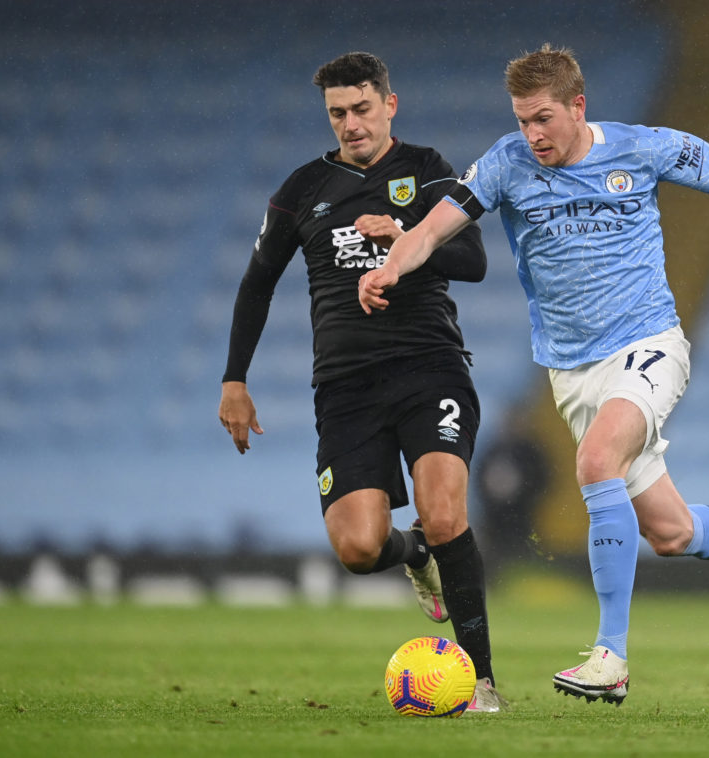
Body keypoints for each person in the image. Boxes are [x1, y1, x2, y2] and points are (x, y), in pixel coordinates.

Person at [358, 44, 709, 706]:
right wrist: (391, 267)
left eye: (544, 119)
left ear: (578, 106)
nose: (533, 134)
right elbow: (431, 230)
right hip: (572, 373)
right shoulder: (507, 162)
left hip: (648, 345)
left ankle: (610, 656)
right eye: (523, 120)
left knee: (595, 461)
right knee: (670, 534)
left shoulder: (642, 149)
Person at [218, 52, 505, 712]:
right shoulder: (301, 190)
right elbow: (256, 283)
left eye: (361, 109)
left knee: (444, 510)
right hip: (345, 386)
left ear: (390, 104)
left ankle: (482, 680)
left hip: (429, 366)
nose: (351, 124)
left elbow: (474, 260)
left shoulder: (427, 169)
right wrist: (235, 378)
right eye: (337, 114)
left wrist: (407, 233)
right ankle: (413, 555)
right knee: (357, 547)